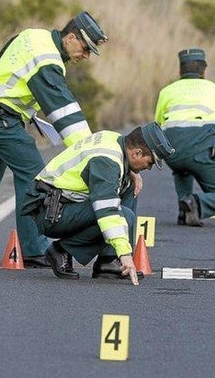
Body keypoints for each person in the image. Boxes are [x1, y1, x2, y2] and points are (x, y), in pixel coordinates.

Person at [0, 11, 109, 262]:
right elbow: (65, 113)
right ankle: (35, 250)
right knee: (34, 176)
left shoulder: (34, 35)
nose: (86, 55)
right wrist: (92, 153)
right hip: (1, 115)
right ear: (71, 37)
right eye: (85, 48)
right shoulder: (48, 61)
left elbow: (4, 58)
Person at [20, 122, 175, 285]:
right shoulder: (106, 162)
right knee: (122, 215)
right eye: (150, 163)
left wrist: (131, 171)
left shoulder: (115, 139)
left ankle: (108, 261)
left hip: (60, 204)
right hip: (50, 214)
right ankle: (62, 250)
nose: (149, 168)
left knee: (130, 185)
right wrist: (125, 254)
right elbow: (106, 209)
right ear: (136, 153)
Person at [154, 48, 215, 227]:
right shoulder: (214, 90)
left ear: (180, 70)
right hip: (200, 153)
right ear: (204, 71)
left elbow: (158, 125)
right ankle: (195, 203)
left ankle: (183, 212)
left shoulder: (167, 91)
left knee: (181, 170)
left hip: (173, 154)